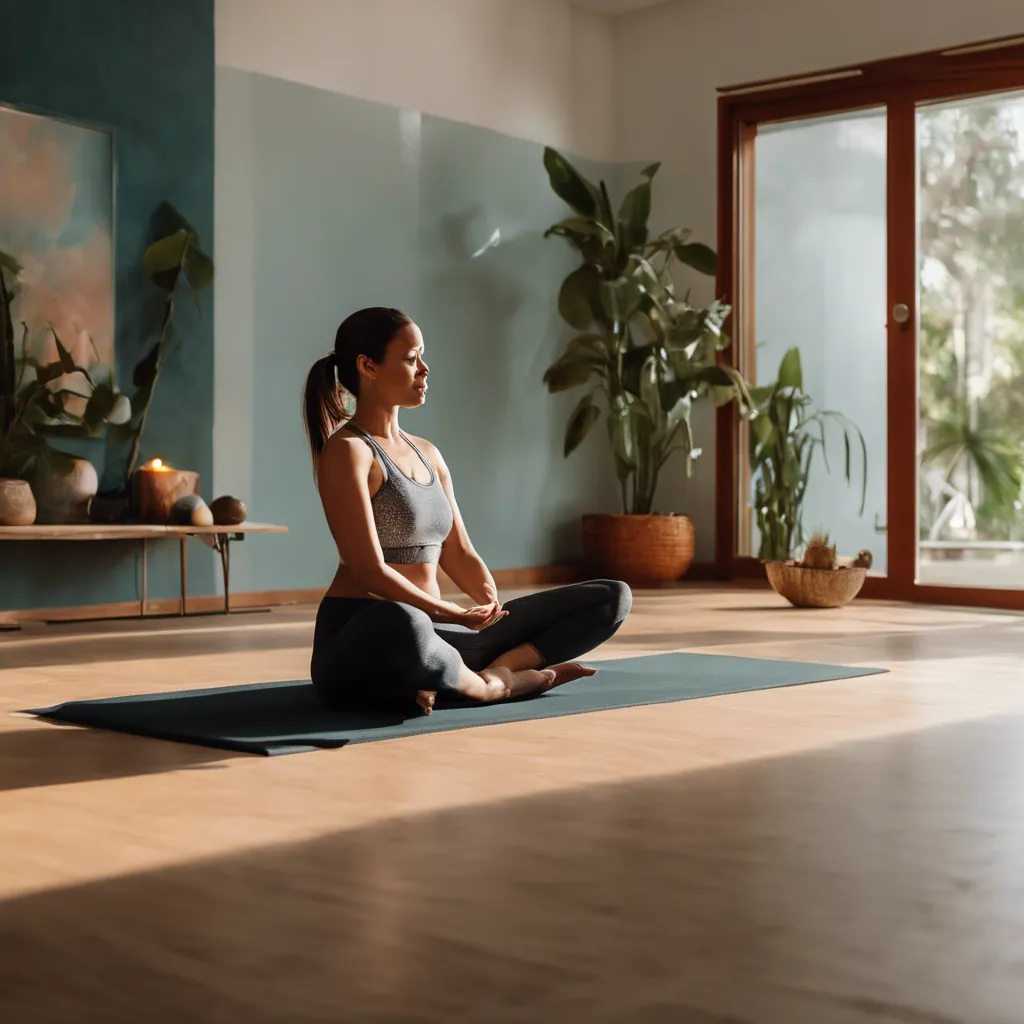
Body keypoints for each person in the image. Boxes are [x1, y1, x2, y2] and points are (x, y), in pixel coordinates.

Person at [302, 306, 632, 716]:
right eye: (410, 359)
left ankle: (488, 673)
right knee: (404, 621)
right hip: (367, 635)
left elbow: (458, 550)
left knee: (611, 598)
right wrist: (449, 612)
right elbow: (367, 570)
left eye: (422, 356)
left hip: (438, 634)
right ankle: (485, 687)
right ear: (368, 366)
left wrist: (489, 602)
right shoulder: (347, 452)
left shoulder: (428, 454)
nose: (424, 369)